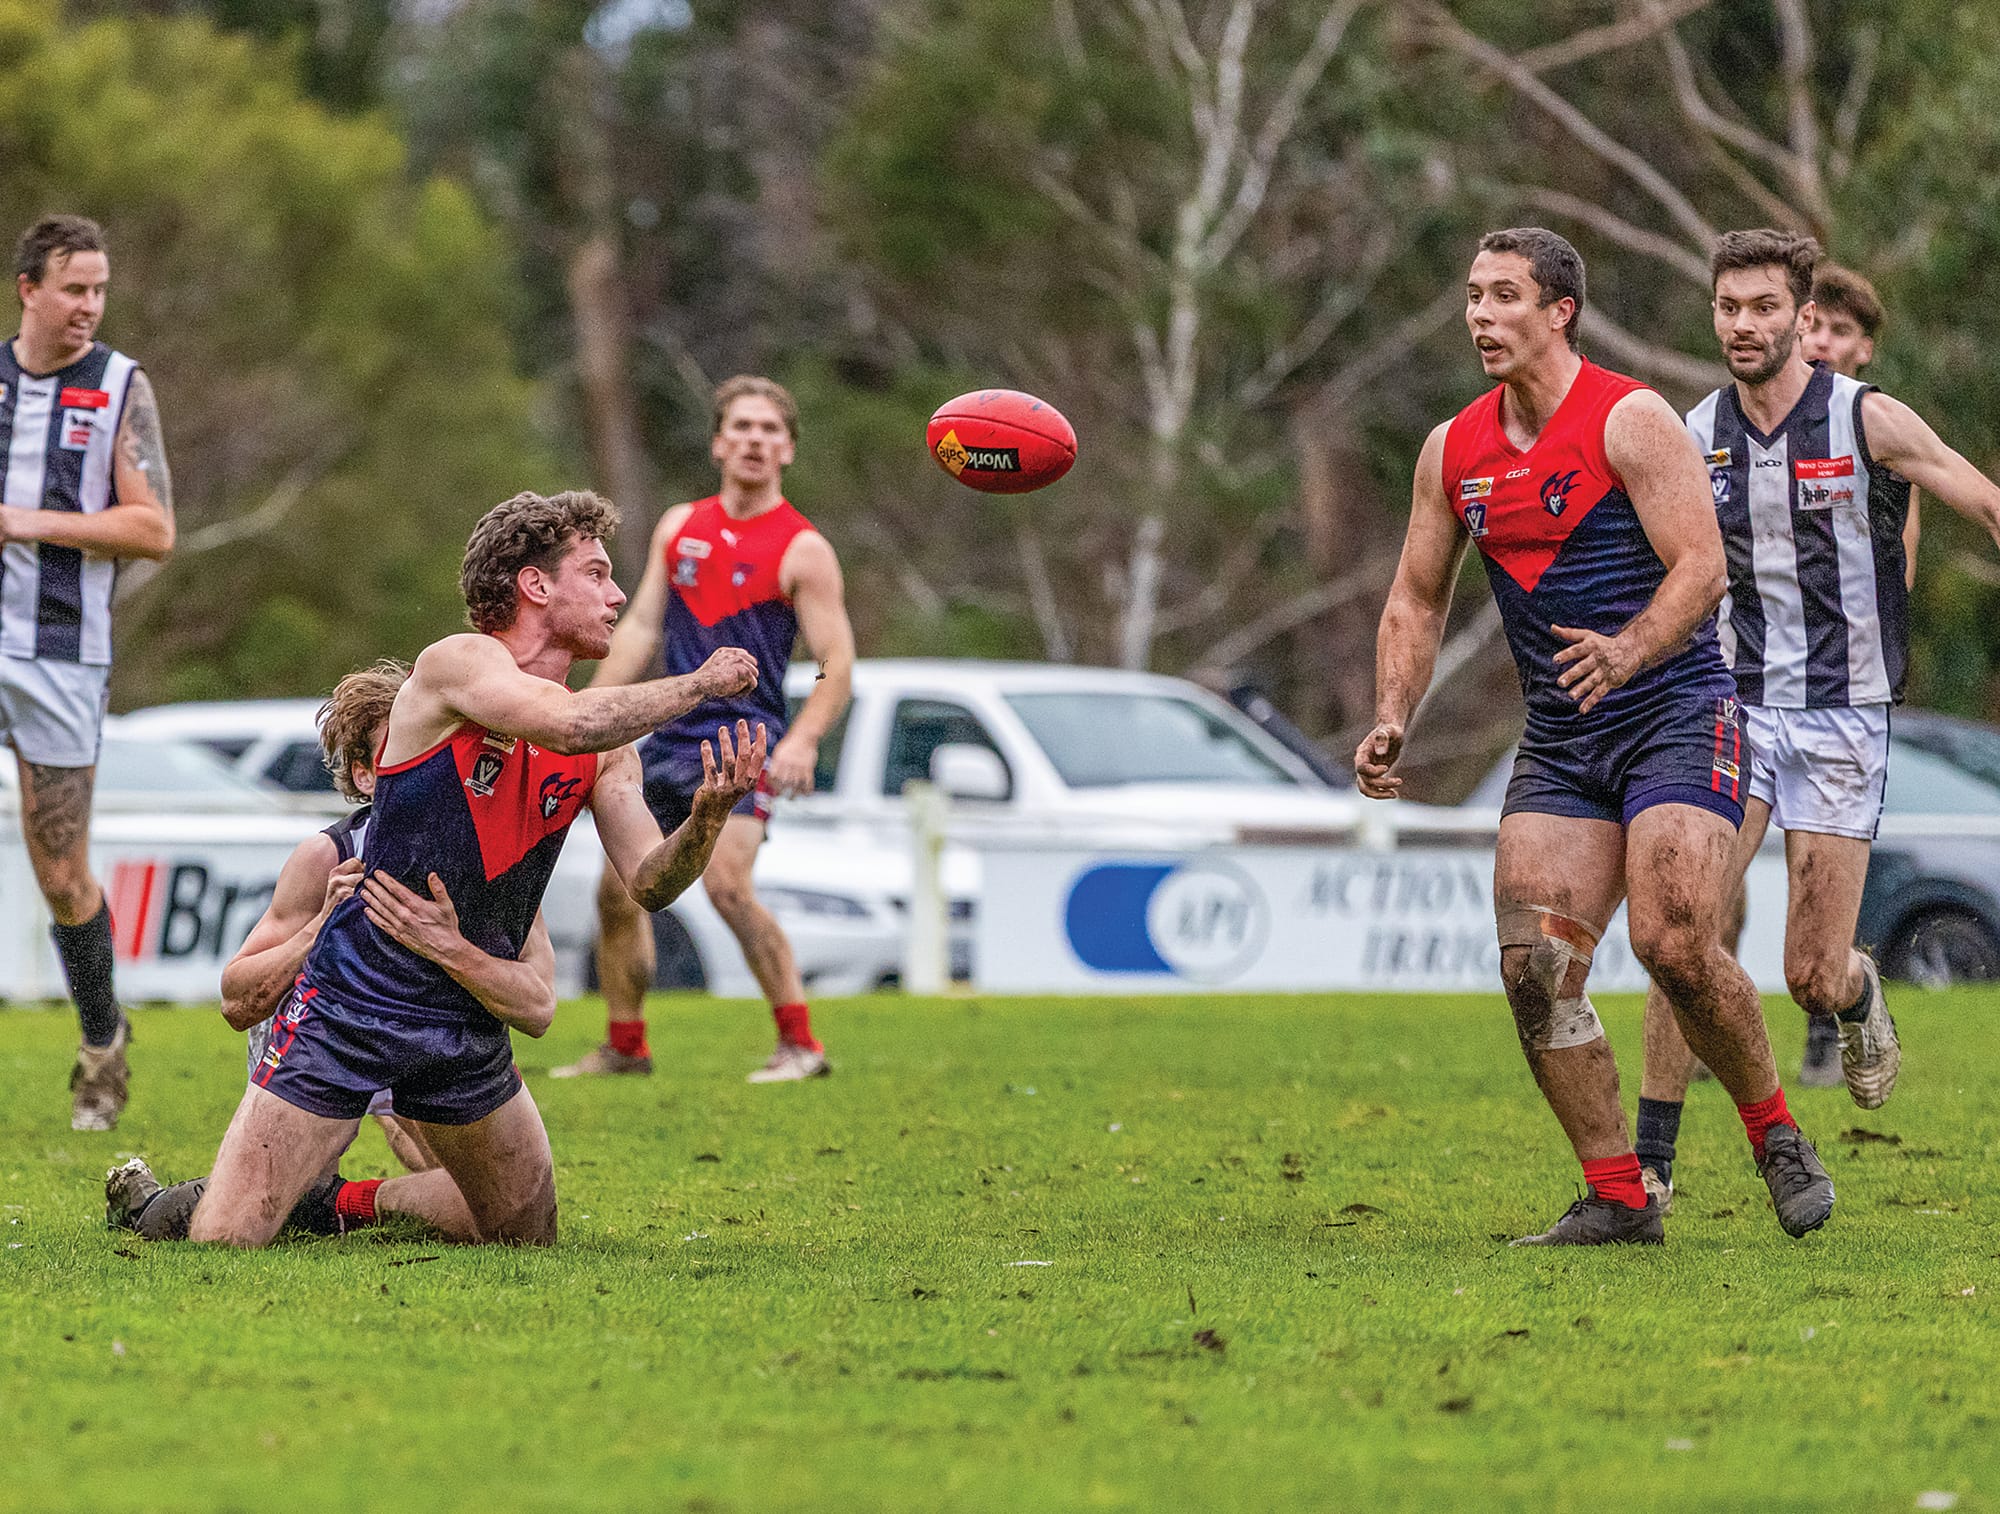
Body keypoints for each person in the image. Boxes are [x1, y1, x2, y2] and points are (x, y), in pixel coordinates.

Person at [1356, 226, 1834, 1245]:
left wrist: (1625, 649)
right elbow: (1412, 596)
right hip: (1564, 741)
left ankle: (1774, 1132)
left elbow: (1700, 567)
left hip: (1675, 710)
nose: (1480, 315)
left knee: (1670, 936)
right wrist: (1393, 713)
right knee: (1532, 969)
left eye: (1503, 296)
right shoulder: (1452, 449)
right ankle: (1618, 1194)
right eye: (1472, 295)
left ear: (1558, 311)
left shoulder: (1628, 419)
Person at [181, 490, 766, 1248]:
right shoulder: (457, 663)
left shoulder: (606, 752)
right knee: (221, 1244)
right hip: (350, 1009)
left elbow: (651, 882)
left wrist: (707, 818)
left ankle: (332, 1203)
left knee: (527, 1239)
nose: (618, 594)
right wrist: (699, 683)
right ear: (535, 585)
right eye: (597, 573)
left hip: (464, 1028)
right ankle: (178, 1205)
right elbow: (567, 720)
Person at [1632, 233, 2000, 1210]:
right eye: (1726, 306)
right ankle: (1649, 1166)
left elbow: (1979, 497)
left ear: (1802, 319)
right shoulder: (1693, 426)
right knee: (1683, 928)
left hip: (1840, 716)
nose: (1742, 324)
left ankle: (1853, 989)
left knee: (1804, 970)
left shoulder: (1863, 417)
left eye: (1761, 307)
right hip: (1731, 704)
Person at [105, 660, 561, 1241]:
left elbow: (538, 1007)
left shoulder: (494, 860)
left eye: (439, 748)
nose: (427, 764)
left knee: (471, 1203)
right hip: (326, 1034)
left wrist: (451, 949)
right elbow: (237, 1000)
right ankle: (160, 1203)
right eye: (402, 750)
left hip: (426, 1036)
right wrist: (320, 928)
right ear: (365, 774)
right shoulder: (326, 857)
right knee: (251, 1212)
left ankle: (334, 1203)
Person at [554, 376, 855, 1084]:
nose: (755, 439)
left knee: (726, 885)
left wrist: (803, 739)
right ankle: (626, 1046)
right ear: (719, 442)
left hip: (743, 741)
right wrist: (583, 715)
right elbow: (641, 628)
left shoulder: (803, 548)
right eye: (742, 427)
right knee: (618, 892)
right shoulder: (679, 526)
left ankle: (801, 1045)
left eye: (770, 430)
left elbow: (836, 662)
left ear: (787, 450)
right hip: (667, 732)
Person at [2, 214, 175, 1130]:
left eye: (100, 291)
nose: (89, 307)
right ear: (29, 288)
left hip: (63, 650)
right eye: (75, 289)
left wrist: (23, 521)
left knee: (62, 871)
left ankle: (102, 1047)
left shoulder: (116, 388)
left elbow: (155, 530)